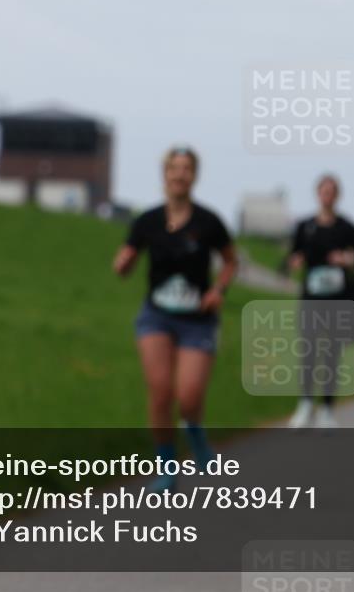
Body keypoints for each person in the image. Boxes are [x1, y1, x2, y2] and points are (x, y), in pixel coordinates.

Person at [112, 145, 237, 491]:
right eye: (174, 169)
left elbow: (230, 261)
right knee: (161, 392)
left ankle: (195, 436)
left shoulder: (209, 222)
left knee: (190, 395)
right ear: (164, 175)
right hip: (157, 316)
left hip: (197, 319)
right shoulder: (148, 220)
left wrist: (218, 291)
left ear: (194, 176)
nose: (179, 175)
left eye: (186, 169)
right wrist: (123, 263)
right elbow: (128, 254)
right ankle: (166, 466)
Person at [287, 174, 354, 428]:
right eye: (323, 191)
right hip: (312, 297)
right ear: (317, 194)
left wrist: (347, 259)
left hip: (338, 298)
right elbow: (292, 256)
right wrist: (295, 261)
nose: (327, 195)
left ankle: (327, 409)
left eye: (332, 191)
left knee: (331, 354)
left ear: (337, 195)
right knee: (309, 352)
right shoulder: (305, 226)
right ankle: (305, 405)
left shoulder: (347, 228)